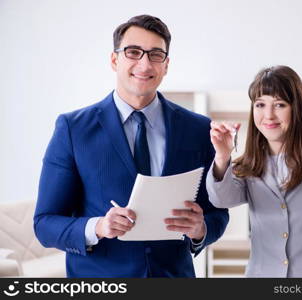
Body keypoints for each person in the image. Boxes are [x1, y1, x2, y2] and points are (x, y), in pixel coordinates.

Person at [34, 15, 228, 278]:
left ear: (166, 65)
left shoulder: (197, 128)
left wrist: (200, 229)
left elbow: (217, 212)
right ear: (115, 60)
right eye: (133, 52)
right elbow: (45, 223)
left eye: (156, 54)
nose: (145, 64)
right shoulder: (73, 129)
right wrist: (99, 226)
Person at [206, 65, 302, 277]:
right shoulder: (248, 166)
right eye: (260, 104)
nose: (268, 115)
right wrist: (223, 156)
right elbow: (220, 199)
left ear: (296, 108)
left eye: (279, 104)